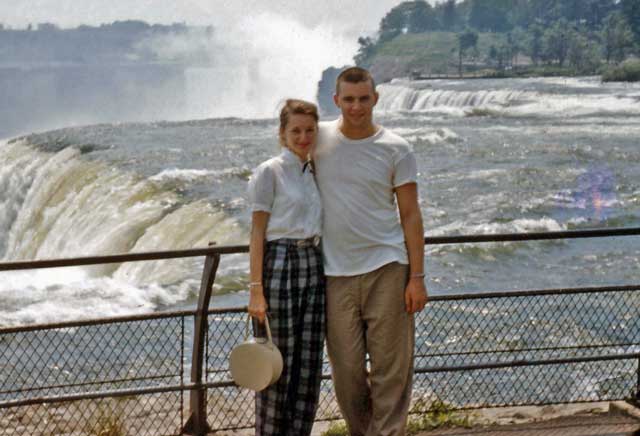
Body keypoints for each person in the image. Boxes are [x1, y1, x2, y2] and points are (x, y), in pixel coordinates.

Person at [314, 67, 428, 436]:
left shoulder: (397, 148)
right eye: (349, 99)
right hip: (334, 274)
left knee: (390, 371)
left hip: (387, 267)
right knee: (346, 373)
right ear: (336, 101)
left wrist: (417, 277)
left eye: (364, 98)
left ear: (375, 98)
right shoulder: (318, 140)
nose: (357, 107)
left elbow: (410, 215)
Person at [246, 99, 325, 436]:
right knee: (275, 366)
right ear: (282, 134)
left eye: (309, 130)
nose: (303, 137)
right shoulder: (270, 171)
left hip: (313, 264)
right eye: (295, 130)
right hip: (279, 266)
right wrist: (255, 290)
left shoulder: (316, 170)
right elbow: (257, 232)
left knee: (307, 367)